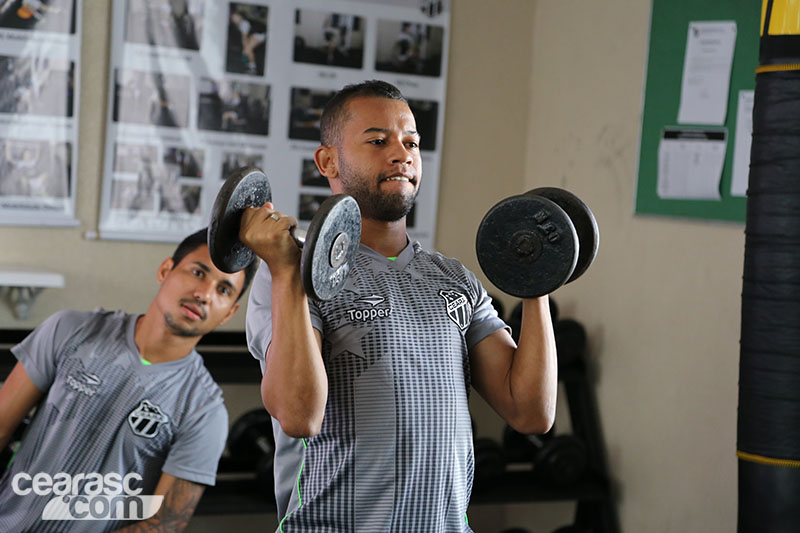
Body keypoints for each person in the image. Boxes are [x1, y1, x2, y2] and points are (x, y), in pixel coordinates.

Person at [243, 80, 557, 532]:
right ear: (328, 160)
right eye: (377, 140)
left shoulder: (453, 279)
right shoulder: (292, 275)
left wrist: (537, 281)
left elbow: (530, 411)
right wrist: (287, 273)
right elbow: (298, 415)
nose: (401, 153)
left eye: (411, 142)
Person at [0, 228, 258, 532]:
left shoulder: (204, 410)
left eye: (224, 290)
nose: (204, 294)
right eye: (198, 272)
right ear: (165, 270)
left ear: (229, 313)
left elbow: (163, 523)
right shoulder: (69, 330)